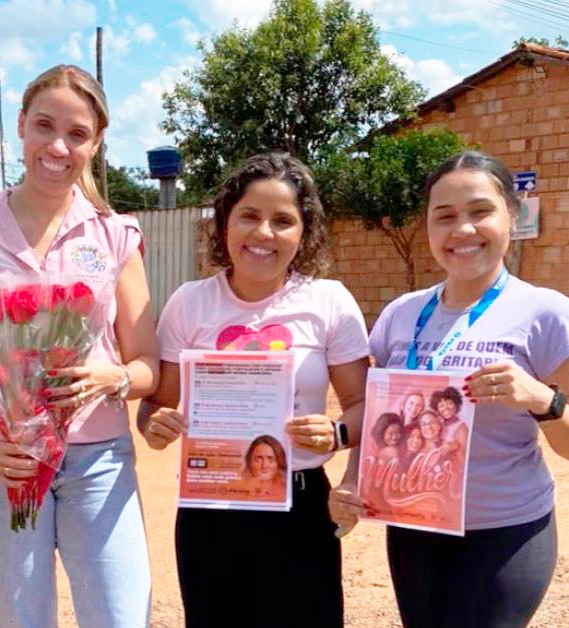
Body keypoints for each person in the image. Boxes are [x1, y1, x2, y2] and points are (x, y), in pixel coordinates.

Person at [330, 150, 569, 628]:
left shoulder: (548, 313)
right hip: (414, 527)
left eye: (480, 211)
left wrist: (541, 399)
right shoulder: (400, 315)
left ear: (511, 216)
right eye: (445, 216)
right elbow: (376, 414)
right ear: (428, 227)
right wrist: (353, 483)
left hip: (506, 532)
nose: (463, 230)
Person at [0, 64, 159, 628]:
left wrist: (114, 378)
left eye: (77, 134)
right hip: (2, 464)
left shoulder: (114, 236)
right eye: (44, 126)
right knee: (22, 619)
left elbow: (147, 364)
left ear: (96, 143)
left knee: (119, 617)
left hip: (98, 460)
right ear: (21, 126)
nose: (58, 147)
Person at [139, 152, 370, 628]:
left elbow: (362, 404)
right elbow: (156, 405)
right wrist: (155, 426)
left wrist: (336, 433)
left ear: (304, 232)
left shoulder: (329, 301)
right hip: (211, 508)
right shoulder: (189, 302)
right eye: (249, 215)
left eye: (283, 220)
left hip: (301, 506)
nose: (263, 233)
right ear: (225, 222)